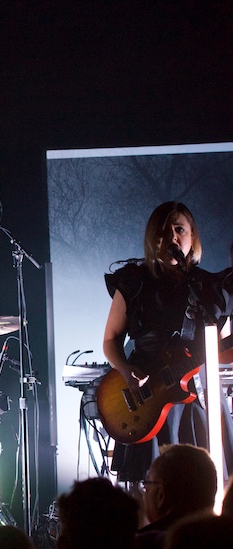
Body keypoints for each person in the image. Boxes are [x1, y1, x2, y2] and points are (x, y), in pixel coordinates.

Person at [102, 201, 232, 484]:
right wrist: (125, 369)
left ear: (192, 237)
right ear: (152, 239)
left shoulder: (209, 288)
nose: (172, 237)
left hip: (199, 395)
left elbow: (224, 350)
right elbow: (110, 340)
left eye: (179, 229)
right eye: (163, 231)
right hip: (148, 397)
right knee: (154, 485)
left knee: (203, 484)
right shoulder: (134, 282)